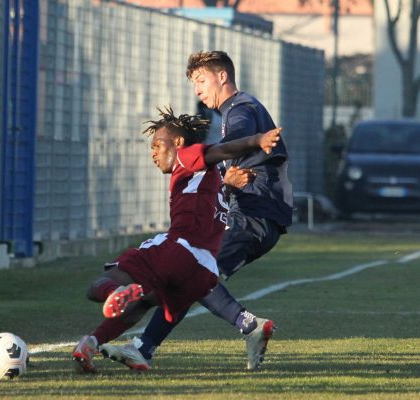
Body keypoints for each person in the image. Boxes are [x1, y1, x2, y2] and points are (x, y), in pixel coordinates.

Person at [101, 51, 293, 372]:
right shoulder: (241, 108)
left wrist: (227, 169)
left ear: (223, 76)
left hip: (253, 211)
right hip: (262, 212)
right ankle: (144, 348)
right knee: (190, 278)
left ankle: (247, 326)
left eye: (201, 81)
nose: (198, 91)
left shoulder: (239, 108)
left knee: (190, 272)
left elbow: (237, 139)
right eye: (194, 84)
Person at [72, 106, 282, 373]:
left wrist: (257, 140)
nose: (153, 153)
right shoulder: (213, 176)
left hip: (179, 249)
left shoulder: (186, 157)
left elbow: (221, 150)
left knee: (101, 284)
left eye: (158, 145)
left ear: (179, 143)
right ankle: (92, 344)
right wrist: (227, 185)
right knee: (142, 303)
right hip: (202, 271)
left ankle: (114, 294)